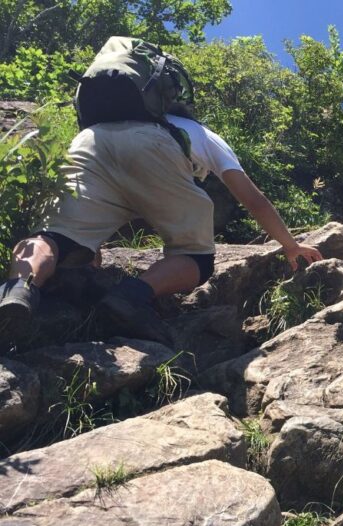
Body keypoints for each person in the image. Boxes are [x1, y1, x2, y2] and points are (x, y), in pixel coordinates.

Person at [0, 104, 323, 346]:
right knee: (196, 257)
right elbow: (253, 200)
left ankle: (18, 289)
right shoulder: (201, 133)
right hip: (154, 146)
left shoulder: (109, 119)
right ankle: (131, 296)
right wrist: (290, 246)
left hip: (89, 143)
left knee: (55, 237)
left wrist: (89, 251)